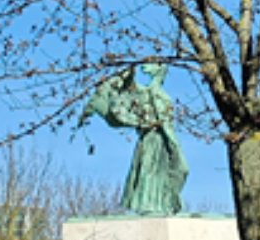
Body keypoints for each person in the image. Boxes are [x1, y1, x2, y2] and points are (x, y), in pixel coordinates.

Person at [80, 62, 188, 215]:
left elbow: (167, 123)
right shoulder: (145, 93)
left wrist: (173, 143)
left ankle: (163, 204)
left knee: (175, 170)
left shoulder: (156, 93)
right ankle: (149, 206)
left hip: (162, 140)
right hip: (151, 138)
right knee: (149, 170)